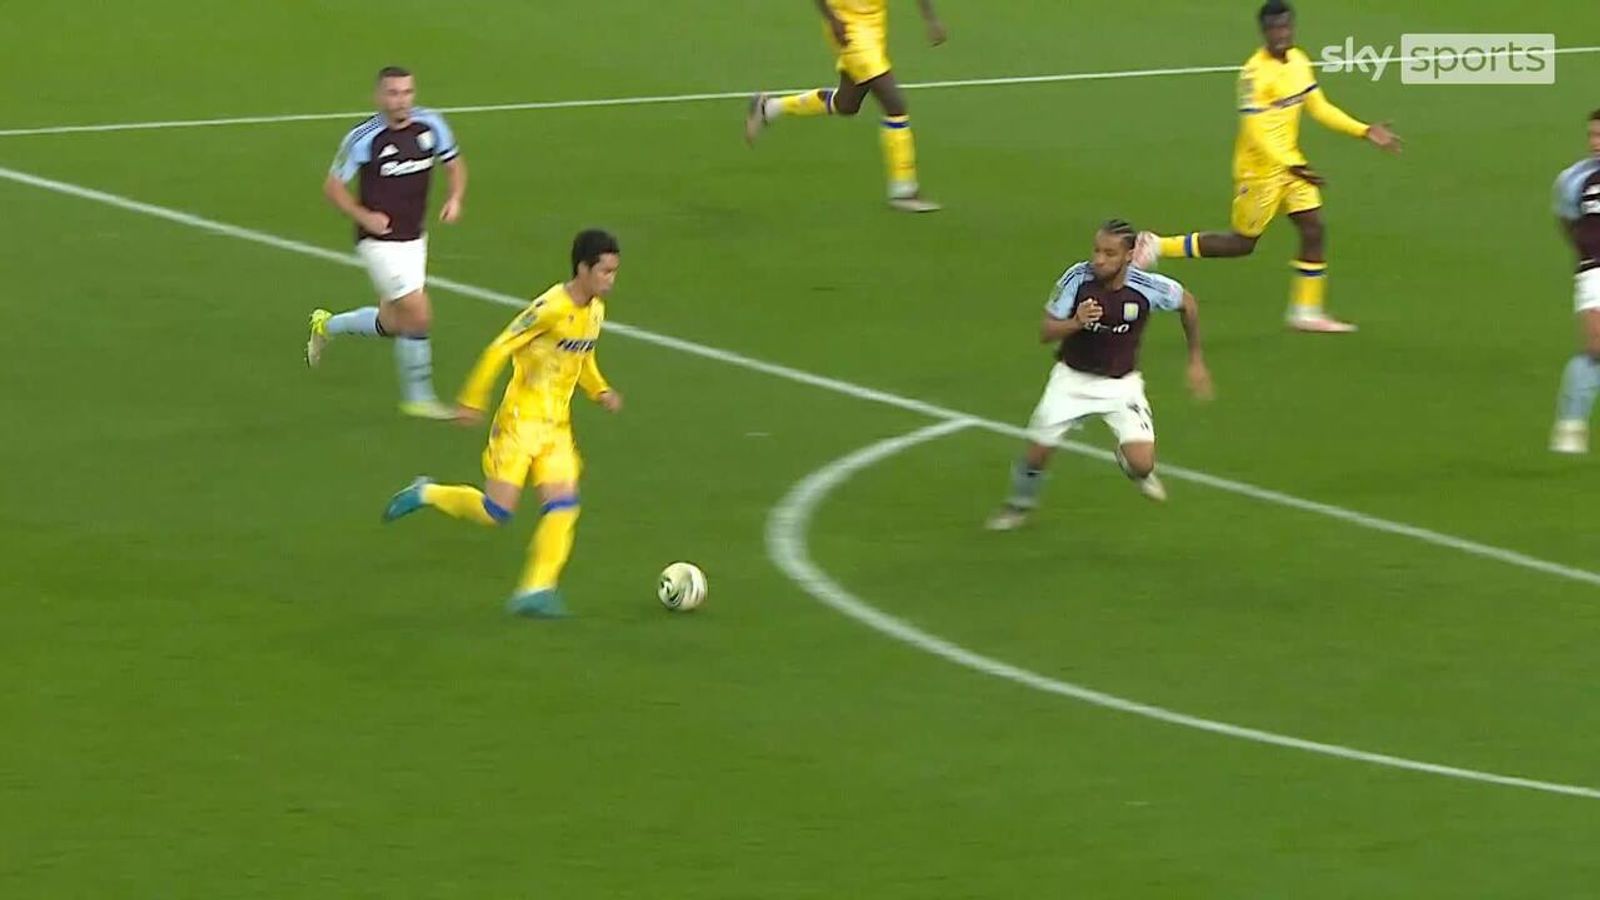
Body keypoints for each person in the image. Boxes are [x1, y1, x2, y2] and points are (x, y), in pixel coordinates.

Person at [382, 230, 624, 617]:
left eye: (614, 272)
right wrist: (473, 398)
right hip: (520, 422)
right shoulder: (549, 308)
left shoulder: (595, 311)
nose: (611, 280)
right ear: (583, 269)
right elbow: (500, 347)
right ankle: (426, 493)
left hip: (557, 427)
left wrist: (600, 390)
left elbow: (582, 358)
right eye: (605, 272)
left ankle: (536, 589)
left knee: (563, 505)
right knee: (497, 512)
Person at [1135, 1, 1401, 333]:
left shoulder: (1299, 61)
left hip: (1292, 167)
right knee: (1242, 243)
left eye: (1286, 26)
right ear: (1264, 32)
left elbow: (1319, 107)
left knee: (1313, 228)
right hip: (1260, 172)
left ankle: (1305, 311)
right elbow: (1255, 130)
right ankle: (1157, 244)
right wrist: (1291, 163)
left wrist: (1363, 130)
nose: (1281, 34)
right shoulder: (1254, 73)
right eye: (1275, 28)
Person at [988, 220, 1212, 531]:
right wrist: (1076, 322)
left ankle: (1129, 462)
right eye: (1097, 251)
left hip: (1122, 386)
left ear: (1129, 256)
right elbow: (1045, 332)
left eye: (1109, 253)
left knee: (1143, 465)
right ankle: (1018, 506)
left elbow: (1187, 303)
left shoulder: (1147, 287)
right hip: (1072, 381)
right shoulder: (1077, 279)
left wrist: (1195, 359)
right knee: (1037, 454)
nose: (1099, 260)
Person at [307, 66, 468, 419]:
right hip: (377, 242)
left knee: (394, 323)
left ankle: (326, 326)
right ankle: (419, 398)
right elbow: (333, 187)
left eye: (407, 92)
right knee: (419, 314)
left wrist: (455, 197)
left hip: (414, 238)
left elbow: (454, 164)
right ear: (379, 97)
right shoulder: (364, 137)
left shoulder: (431, 124)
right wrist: (364, 216)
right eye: (393, 93)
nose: (401, 100)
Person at [744, 0, 947, 212]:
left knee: (847, 103)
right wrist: (832, 19)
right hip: (847, 26)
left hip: (875, 24)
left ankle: (768, 108)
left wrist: (931, 20)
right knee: (894, 104)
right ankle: (904, 189)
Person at [1550, 109, 1600, 454]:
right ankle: (1570, 425)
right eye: (1592, 135)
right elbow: (1568, 223)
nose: (1595, 143)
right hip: (1595, 270)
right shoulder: (1573, 179)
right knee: (1596, 348)